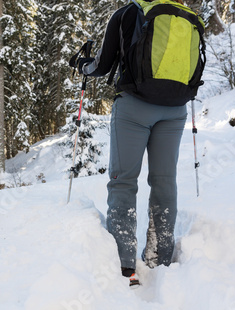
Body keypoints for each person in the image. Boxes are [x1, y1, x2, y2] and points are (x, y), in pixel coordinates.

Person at [77, 0, 190, 287]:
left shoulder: (128, 12)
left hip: (135, 108)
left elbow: (101, 66)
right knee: (165, 182)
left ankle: (125, 265)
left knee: (123, 181)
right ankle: (160, 259)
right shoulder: (185, 14)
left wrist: (81, 65)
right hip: (175, 110)